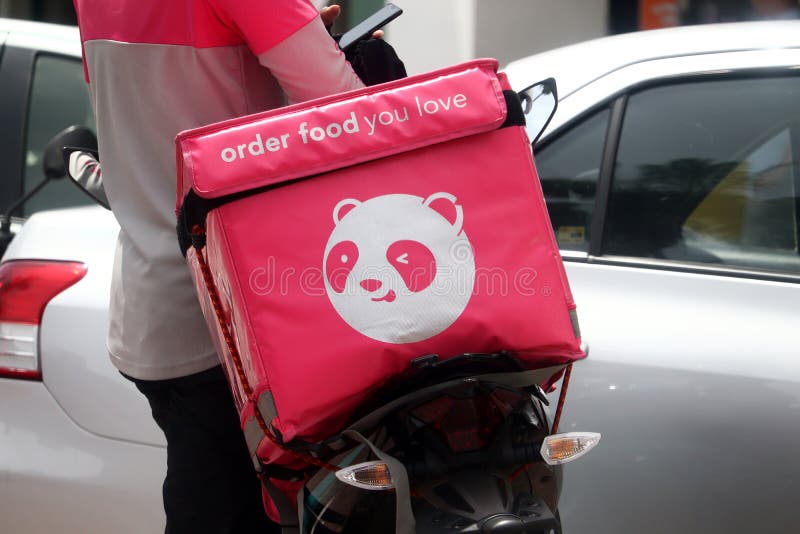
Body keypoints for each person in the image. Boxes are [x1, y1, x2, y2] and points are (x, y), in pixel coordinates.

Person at [70, 1, 366, 532]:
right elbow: (348, 116)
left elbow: (165, 101)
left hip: (155, 306)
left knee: (203, 494)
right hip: (235, 321)